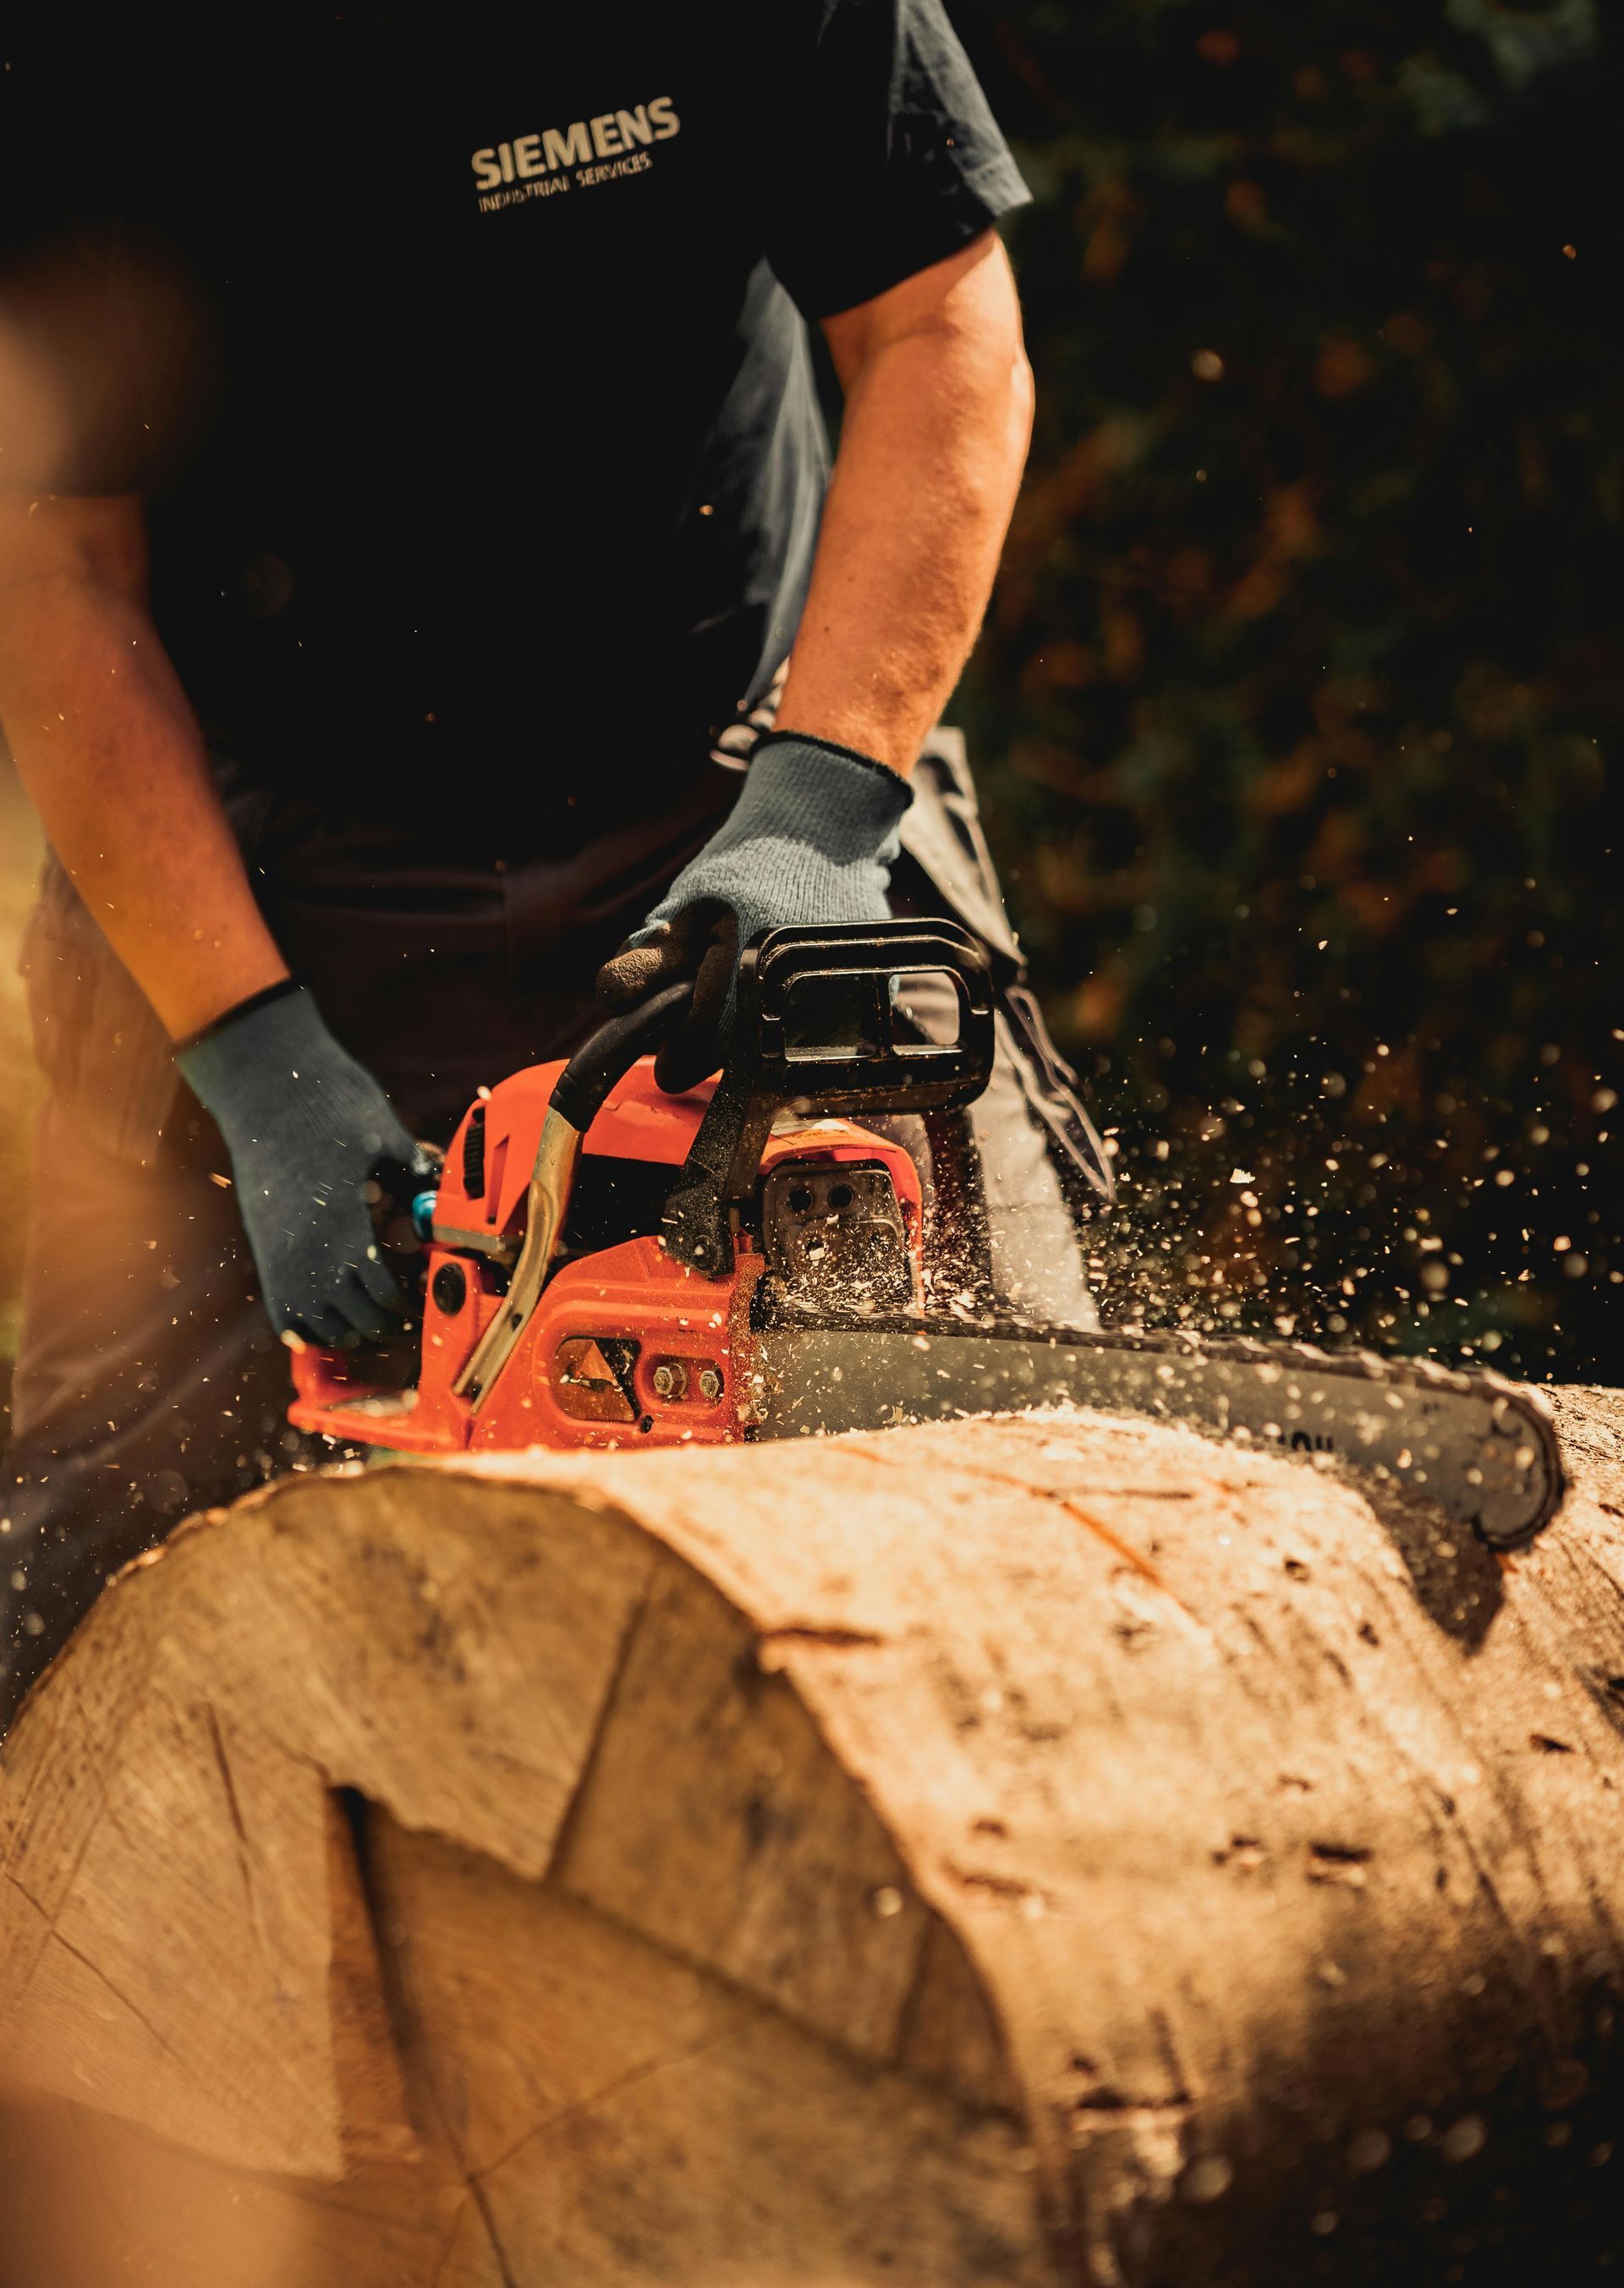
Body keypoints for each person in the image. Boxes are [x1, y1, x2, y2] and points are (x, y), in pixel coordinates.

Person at [0, 3, 1109, 1728]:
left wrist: (819, 809)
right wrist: (251, 1060)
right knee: (81, 1628)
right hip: (254, 848)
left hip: (748, 780)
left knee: (1055, 1505)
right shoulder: (93, 58)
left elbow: (940, 318)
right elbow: (54, 562)